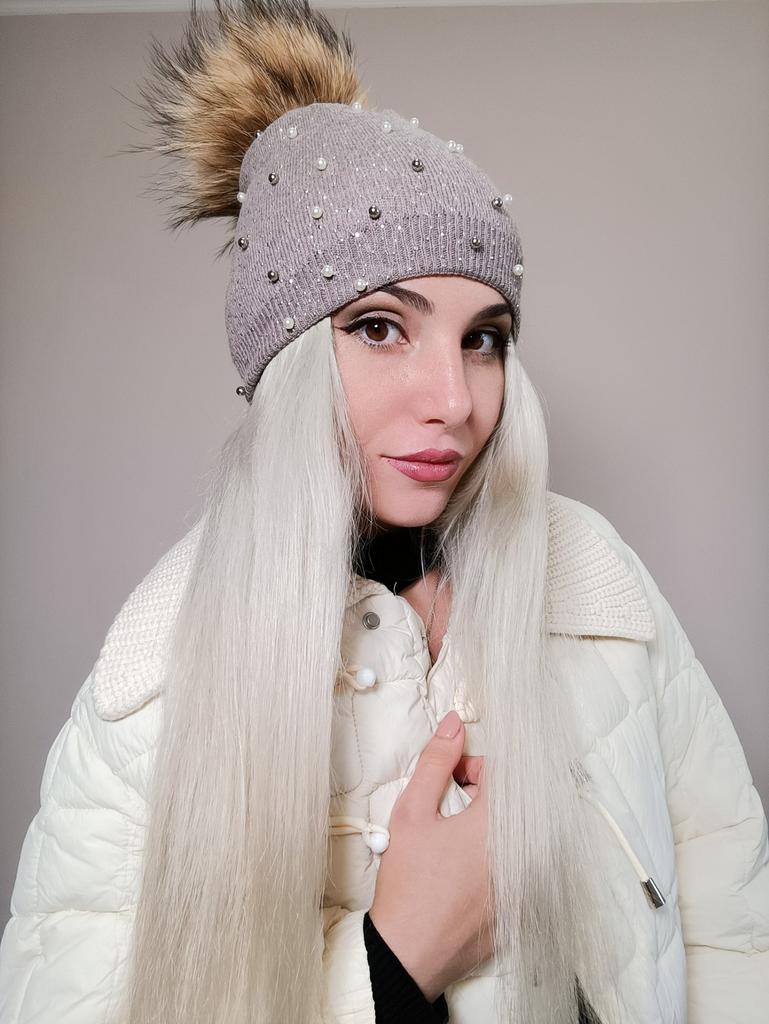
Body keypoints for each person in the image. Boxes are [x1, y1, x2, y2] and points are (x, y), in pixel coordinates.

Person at [1, 2, 767, 1022]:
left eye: (482, 338)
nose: (453, 400)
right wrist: (393, 960)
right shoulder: (162, 660)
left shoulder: (595, 580)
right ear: (287, 361)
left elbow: (731, 928)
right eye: (378, 327)